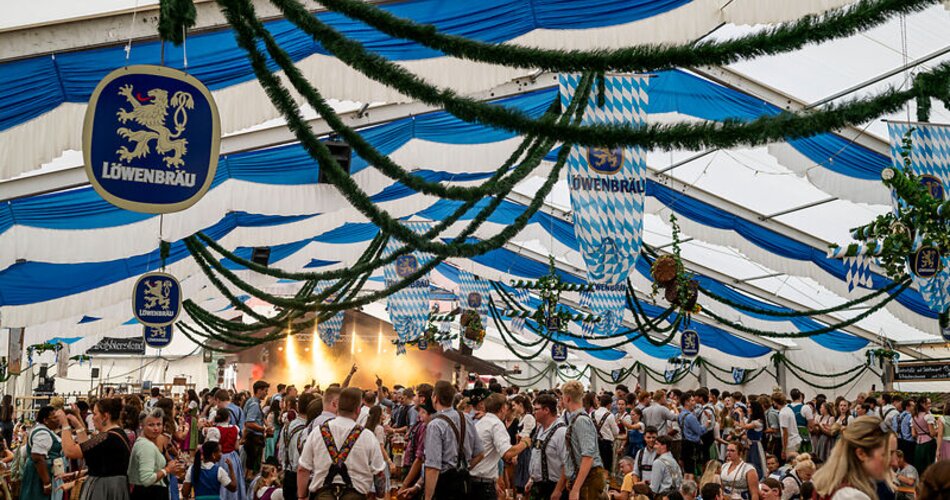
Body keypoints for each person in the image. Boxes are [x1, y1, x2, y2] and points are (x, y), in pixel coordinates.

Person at [296, 387, 387, 500]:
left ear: (337, 406)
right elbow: (379, 473)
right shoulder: (367, 436)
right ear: (358, 410)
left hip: (322, 496)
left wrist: (302, 497)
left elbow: (303, 469)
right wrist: (380, 497)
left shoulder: (318, 432)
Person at [59, 398, 132, 500]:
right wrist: (78, 426)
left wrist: (65, 425)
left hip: (105, 488)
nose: (92, 418)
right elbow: (88, 448)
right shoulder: (116, 434)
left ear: (105, 416)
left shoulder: (106, 437)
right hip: (113, 486)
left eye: (95, 414)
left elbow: (70, 451)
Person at [423, 380, 483, 500]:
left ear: (435, 398)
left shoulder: (435, 425)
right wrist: (463, 468)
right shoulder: (465, 418)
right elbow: (480, 453)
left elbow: (433, 468)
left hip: (444, 486)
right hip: (463, 484)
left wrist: (428, 497)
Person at [812, 416, 891, 500]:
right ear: (861, 454)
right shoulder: (852, 496)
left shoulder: (834, 483)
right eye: (884, 454)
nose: (893, 462)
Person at [471, 393, 530, 499]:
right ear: (503, 408)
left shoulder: (481, 422)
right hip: (483, 484)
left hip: (474, 480)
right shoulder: (496, 424)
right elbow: (507, 453)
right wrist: (525, 443)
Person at [555, 380, 607, 500]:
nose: (561, 402)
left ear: (567, 399)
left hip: (590, 479)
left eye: (562, 398)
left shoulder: (581, 421)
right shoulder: (575, 419)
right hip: (584, 477)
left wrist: (576, 489)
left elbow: (588, 456)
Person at [128, 408, 182, 500]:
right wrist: (167, 470)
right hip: (149, 494)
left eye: (159, 424)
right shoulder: (146, 446)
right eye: (151, 425)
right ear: (142, 425)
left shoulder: (145, 442)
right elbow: (147, 480)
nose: (156, 428)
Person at [526, 393, 566, 500]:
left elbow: (566, 464)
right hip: (538, 485)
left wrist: (558, 490)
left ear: (546, 410)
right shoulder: (540, 429)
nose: (533, 412)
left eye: (536, 409)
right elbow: (536, 455)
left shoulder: (561, 432)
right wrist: (531, 479)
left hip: (553, 486)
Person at [21, 405, 65, 500]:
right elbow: (37, 457)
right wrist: (46, 482)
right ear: (45, 420)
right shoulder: (43, 433)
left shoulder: (45, 431)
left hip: (40, 472)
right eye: (54, 418)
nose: (58, 420)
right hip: (39, 475)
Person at [278, 393, 312, 500]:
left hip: (288, 474)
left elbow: (281, 451)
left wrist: (284, 466)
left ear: (298, 406)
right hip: (301, 476)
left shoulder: (287, 426)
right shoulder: (307, 429)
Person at [365, 405, 397, 497]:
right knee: (384, 488)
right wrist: (390, 462)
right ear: (379, 415)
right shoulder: (379, 428)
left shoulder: (367, 427)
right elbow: (381, 447)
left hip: (370, 461)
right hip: (380, 461)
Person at [244, 380, 271, 479]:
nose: (267, 393)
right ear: (259, 390)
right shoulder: (254, 405)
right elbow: (249, 423)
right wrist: (264, 429)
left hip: (252, 439)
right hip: (254, 439)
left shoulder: (252, 402)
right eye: (265, 391)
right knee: (251, 470)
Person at [678, 392, 706, 479]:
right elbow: (699, 431)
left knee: (687, 469)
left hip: (684, 442)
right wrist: (706, 425)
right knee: (692, 469)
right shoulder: (690, 417)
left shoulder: (681, 415)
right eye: (692, 400)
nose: (695, 403)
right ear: (686, 402)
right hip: (692, 445)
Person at [593, 393, 621, 475]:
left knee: (596, 466)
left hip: (595, 443)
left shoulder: (592, 414)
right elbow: (616, 432)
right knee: (607, 467)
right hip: (606, 444)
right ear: (609, 404)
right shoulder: (610, 415)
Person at [912, 397, 937, 476]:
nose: (930, 405)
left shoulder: (914, 416)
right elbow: (932, 433)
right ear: (922, 404)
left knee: (920, 467)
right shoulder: (928, 416)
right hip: (929, 443)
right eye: (928, 403)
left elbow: (914, 434)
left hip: (919, 444)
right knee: (930, 467)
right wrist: (939, 429)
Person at [773, 393, 800, 463]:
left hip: (790, 442)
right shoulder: (788, 409)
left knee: (791, 463)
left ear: (775, 402)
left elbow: (785, 432)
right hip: (795, 439)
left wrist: (784, 449)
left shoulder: (782, 413)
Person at [180, 390, 201, 457]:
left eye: (187, 395)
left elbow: (185, 410)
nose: (186, 396)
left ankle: (190, 446)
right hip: (190, 419)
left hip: (191, 420)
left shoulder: (193, 402)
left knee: (190, 434)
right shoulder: (191, 402)